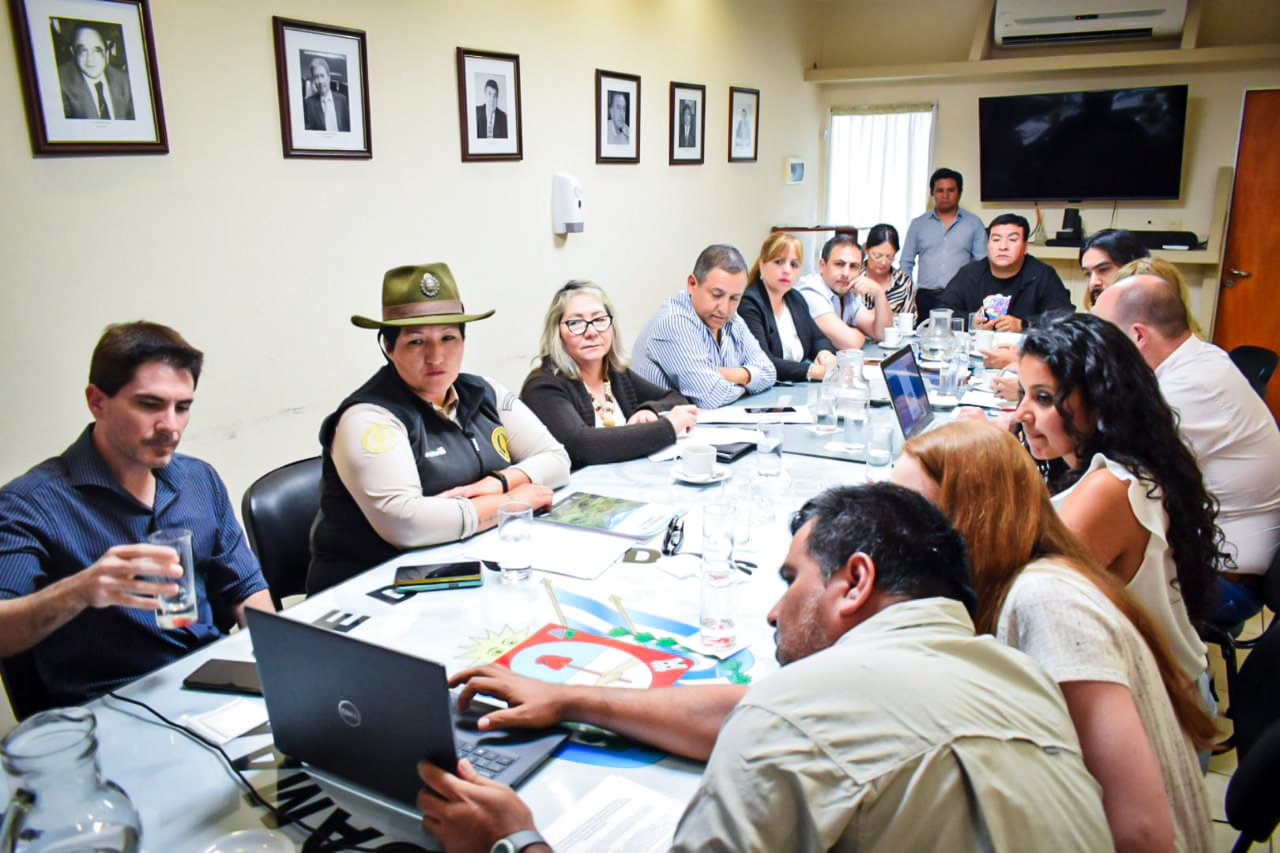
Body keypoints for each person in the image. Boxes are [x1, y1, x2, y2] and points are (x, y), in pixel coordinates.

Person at [421, 484, 1112, 852]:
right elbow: (756, 710)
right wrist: (572, 696)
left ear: (854, 581)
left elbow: (781, 716)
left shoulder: (797, 713)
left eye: (792, 578)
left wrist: (510, 841)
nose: (775, 610)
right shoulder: (1020, 679)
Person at [895, 421, 1214, 852]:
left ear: (971, 518)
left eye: (909, 514)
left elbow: (1143, 832)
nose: (892, 534)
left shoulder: (1045, 600)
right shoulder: (1020, 577)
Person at [0, 322, 274, 707]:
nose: (171, 427)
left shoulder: (199, 479)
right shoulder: (29, 503)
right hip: (114, 704)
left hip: (213, 681)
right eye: (149, 405)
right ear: (97, 401)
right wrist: (81, 590)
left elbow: (247, 590)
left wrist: (279, 668)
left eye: (183, 407)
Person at [308, 264, 570, 594]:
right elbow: (407, 523)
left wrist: (498, 482)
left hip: (463, 568)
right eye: (417, 342)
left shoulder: (483, 391)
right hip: (373, 590)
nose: (436, 356)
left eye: (448, 337)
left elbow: (557, 459)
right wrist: (512, 503)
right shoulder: (369, 417)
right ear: (389, 348)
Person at [1013, 313, 1228, 692]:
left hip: (1160, 713)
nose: (1020, 415)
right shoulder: (1130, 458)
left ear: (1099, 402)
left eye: (1043, 398)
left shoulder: (1112, 489)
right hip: (1152, 686)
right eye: (1022, 394)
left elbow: (1016, 594)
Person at [1094, 269, 1280, 629]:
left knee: (1057, 575)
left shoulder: (1191, 388)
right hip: (1216, 554)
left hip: (1223, 580)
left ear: (1137, 336)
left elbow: (1110, 465)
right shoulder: (1199, 359)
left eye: (1103, 338)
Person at [520, 281, 697, 468]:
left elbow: (675, 398)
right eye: (576, 323)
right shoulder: (542, 386)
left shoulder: (614, 373)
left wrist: (649, 410)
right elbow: (582, 445)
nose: (591, 332)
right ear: (557, 333)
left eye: (599, 320)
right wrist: (667, 427)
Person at [632, 245, 776, 408]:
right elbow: (711, 397)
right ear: (692, 284)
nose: (724, 308)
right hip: (665, 429)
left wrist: (728, 375)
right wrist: (748, 384)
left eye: (734, 298)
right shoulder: (674, 322)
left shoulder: (732, 319)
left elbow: (769, 371)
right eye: (716, 295)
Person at [938, 213, 1074, 332]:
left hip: (1025, 354)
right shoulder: (970, 273)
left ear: (1025, 247)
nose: (1003, 247)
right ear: (988, 245)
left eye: (1012, 240)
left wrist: (1023, 325)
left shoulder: (1042, 274)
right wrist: (971, 321)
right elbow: (943, 311)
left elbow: (1063, 317)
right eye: (996, 240)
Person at [737, 233, 838, 381]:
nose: (787, 270)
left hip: (798, 389)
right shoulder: (750, 303)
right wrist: (812, 371)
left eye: (794, 264)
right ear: (762, 264)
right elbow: (763, 361)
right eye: (779, 262)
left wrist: (825, 352)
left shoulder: (794, 298)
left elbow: (818, 338)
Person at [901, 168, 986, 315]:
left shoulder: (974, 223)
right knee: (921, 336)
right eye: (940, 190)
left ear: (960, 192)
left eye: (951, 190)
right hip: (924, 298)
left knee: (960, 337)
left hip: (960, 298)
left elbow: (982, 263)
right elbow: (906, 262)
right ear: (932, 193)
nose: (945, 195)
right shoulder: (918, 224)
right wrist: (907, 295)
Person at [794, 233, 888, 349]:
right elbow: (851, 342)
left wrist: (879, 294)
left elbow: (883, 334)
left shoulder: (848, 292)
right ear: (822, 266)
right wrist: (861, 333)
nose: (846, 273)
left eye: (853, 266)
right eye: (839, 264)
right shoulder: (810, 291)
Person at [57, 24, 134, 120]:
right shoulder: (60, 82)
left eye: (97, 50)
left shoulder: (124, 80)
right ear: (73, 52)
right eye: (83, 51)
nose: (90, 59)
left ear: (107, 53)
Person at [856, 222, 917, 314]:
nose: (884, 262)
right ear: (866, 249)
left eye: (889, 257)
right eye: (878, 256)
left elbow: (910, 320)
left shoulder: (903, 282)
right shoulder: (855, 276)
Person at [302, 57, 350, 132]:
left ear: (329, 77)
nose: (320, 81)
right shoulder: (308, 103)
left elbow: (348, 127)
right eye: (316, 77)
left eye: (322, 76)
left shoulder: (342, 99)